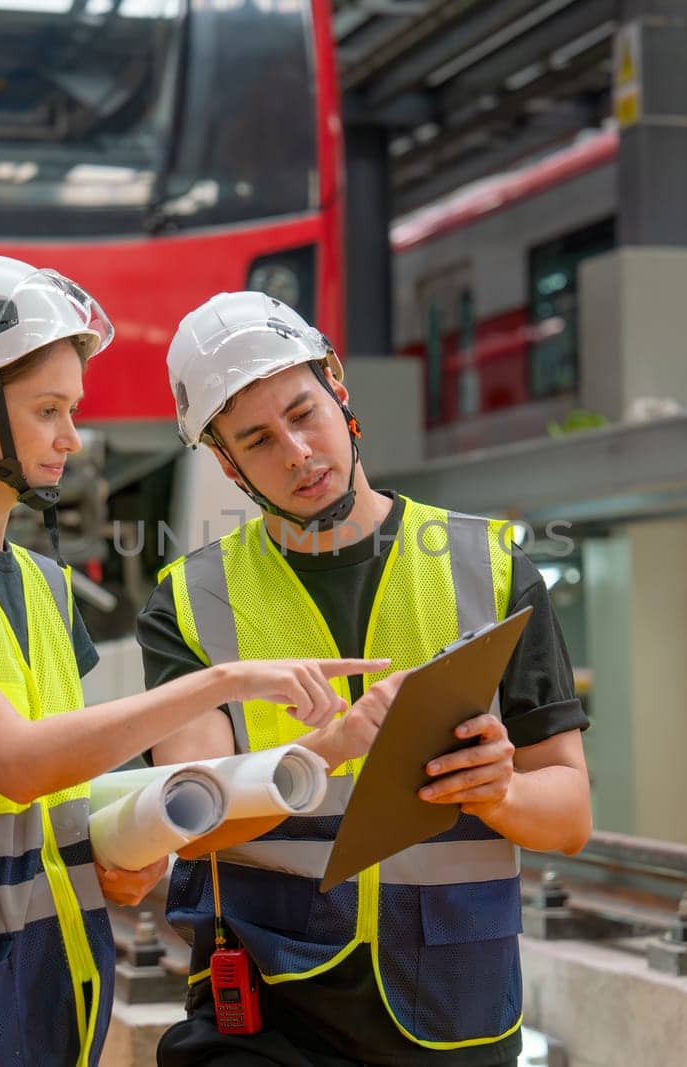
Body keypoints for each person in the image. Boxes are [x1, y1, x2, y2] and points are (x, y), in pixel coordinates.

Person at [0, 258, 383, 1067]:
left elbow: (60, 784)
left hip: (31, 988)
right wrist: (223, 680)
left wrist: (101, 848)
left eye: (72, 409)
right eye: (48, 410)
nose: (72, 436)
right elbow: (13, 761)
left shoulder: (41, 585)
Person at [141, 291, 593, 1065]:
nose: (297, 452)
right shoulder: (190, 601)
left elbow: (570, 812)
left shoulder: (490, 567)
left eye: (303, 413)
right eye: (257, 439)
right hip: (268, 1009)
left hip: (454, 1004)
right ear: (226, 463)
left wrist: (503, 789)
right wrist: (337, 741)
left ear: (339, 391)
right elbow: (198, 820)